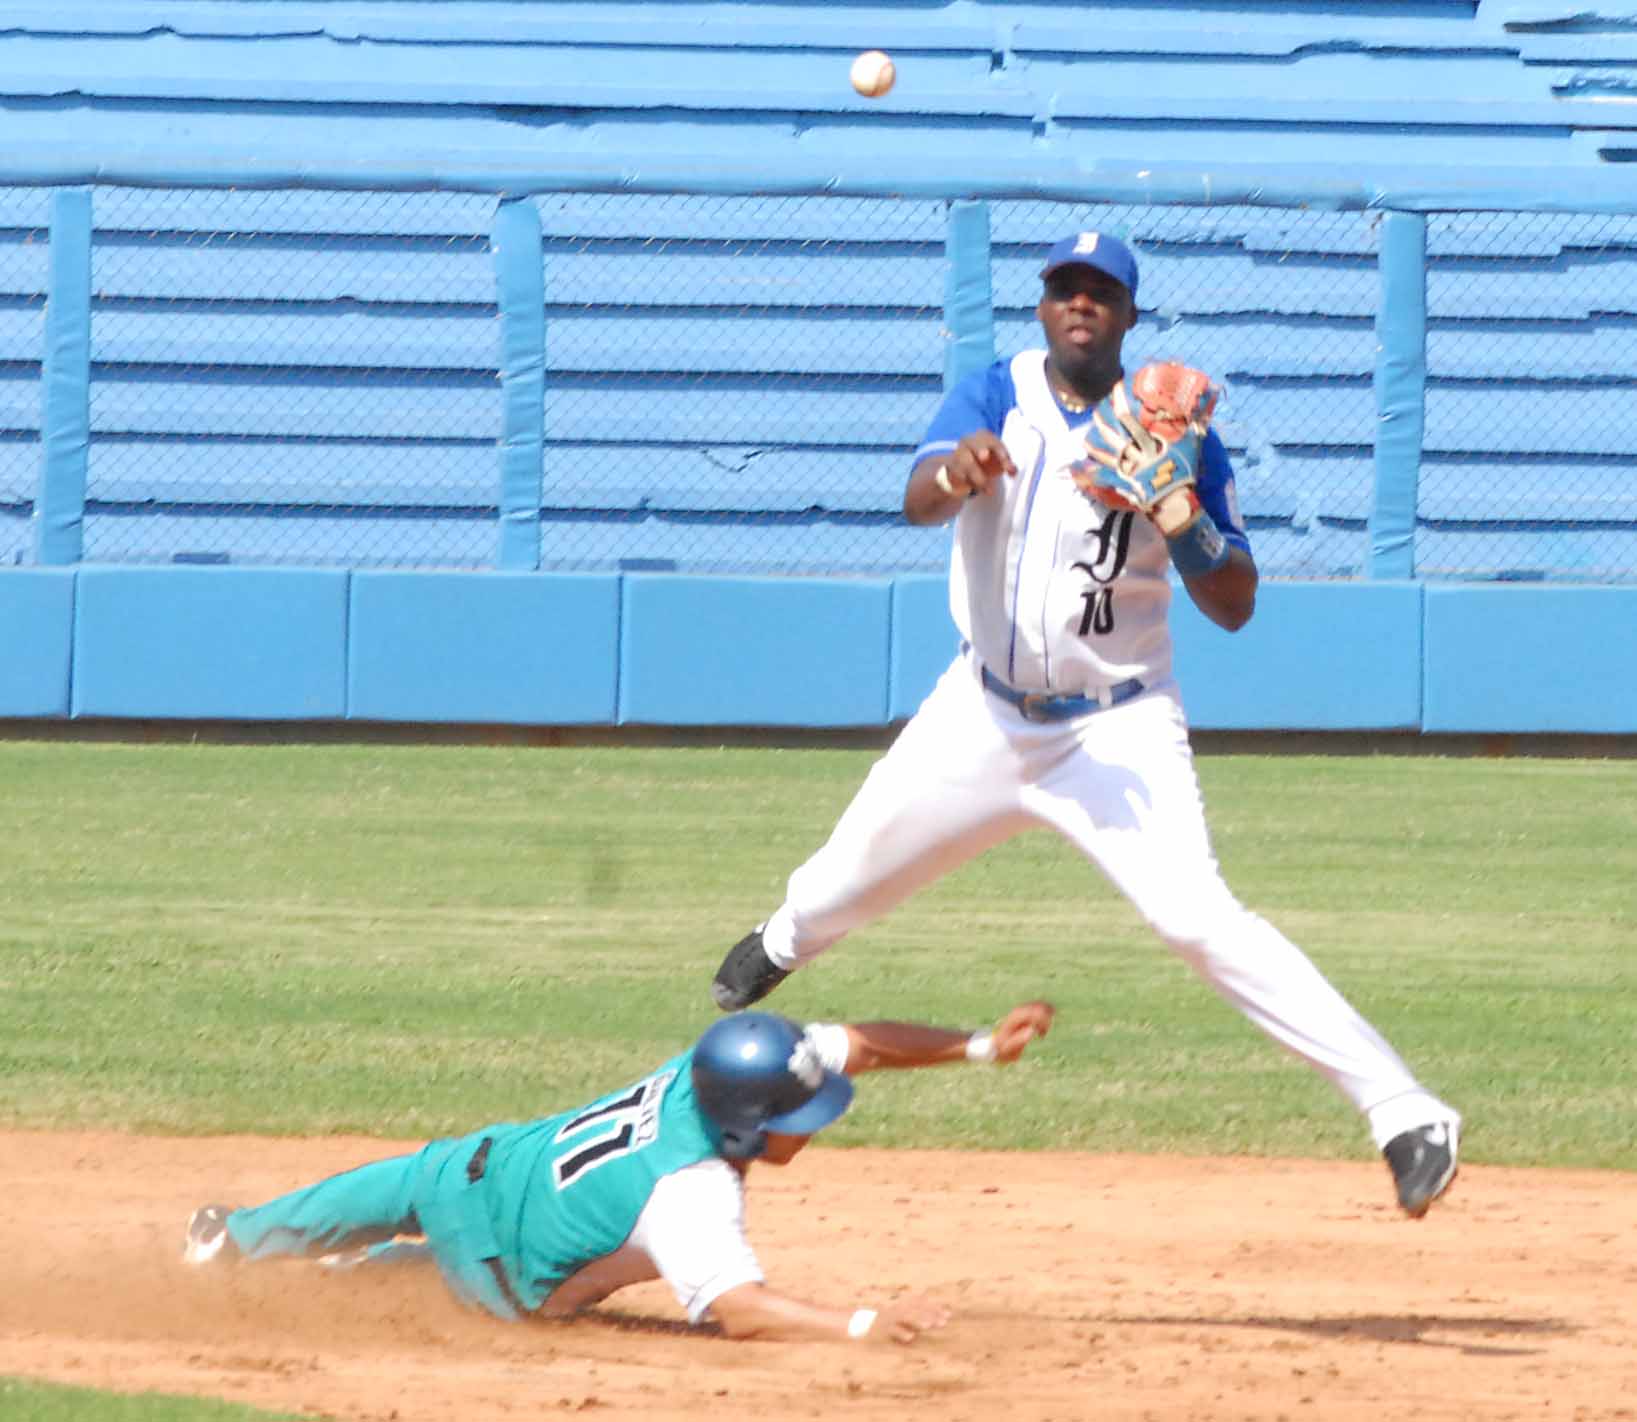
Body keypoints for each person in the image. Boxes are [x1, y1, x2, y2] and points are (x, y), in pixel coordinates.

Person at [711, 231, 1461, 1219]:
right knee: (837, 886)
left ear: (1124, 314)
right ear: (1041, 307)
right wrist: (957, 473)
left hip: (1116, 732)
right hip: (980, 714)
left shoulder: (1172, 429)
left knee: (1199, 921)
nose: (1078, 303)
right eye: (1064, 288)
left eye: (1098, 292)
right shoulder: (997, 393)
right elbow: (914, 499)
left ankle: (1404, 1113)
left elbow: (1233, 602)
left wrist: (1178, 511)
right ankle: (781, 937)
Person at [182, 1000, 1055, 1343]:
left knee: (395, 1191)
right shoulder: (692, 1195)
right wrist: (865, 1324)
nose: (812, 1126)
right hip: (501, 1282)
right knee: (406, 1285)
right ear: (748, 1128)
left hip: (471, 1170)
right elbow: (740, 1312)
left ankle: (232, 1241)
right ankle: (323, 1280)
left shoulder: (709, 1065)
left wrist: (979, 1046)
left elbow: (856, 1043)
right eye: (796, 1120)